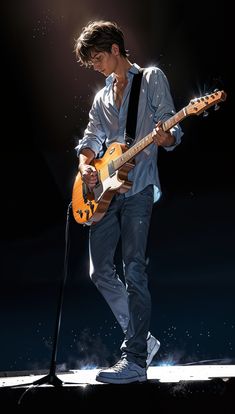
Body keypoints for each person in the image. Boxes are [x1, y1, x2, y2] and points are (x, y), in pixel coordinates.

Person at [74, 20, 183, 384]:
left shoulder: (151, 79)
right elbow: (90, 139)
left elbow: (170, 127)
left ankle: (135, 357)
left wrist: (166, 137)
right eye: (91, 61)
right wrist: (88, 167)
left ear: (116, 49)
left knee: (134, 269)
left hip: (137, 190)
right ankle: (145, 341)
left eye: (98, 58)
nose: (95, 65)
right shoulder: (102, 95)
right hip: (106, 191)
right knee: (99, 269)